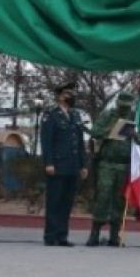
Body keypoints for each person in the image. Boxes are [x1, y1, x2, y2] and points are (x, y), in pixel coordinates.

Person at [39, 82, 88, 247]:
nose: (72, 96)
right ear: (60, 96)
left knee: (67, 202)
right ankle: (50, 235)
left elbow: (80, 143)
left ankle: (62, 235)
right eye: (68, 93)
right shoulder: (50, 115)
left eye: (72, 93)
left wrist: (83, 165)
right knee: (55, 201)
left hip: (73, 165)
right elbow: (46, 141)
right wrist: (49, 162)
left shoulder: (76, 115)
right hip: (57, 165)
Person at [86, 92, 135, 247]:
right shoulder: (108, 115)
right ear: (117, 103)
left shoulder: (134, 117)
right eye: (121, 106)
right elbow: (94, 131)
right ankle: (95, 233)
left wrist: (136, 135)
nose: (123, 109)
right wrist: (113, 129)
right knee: (103, 196)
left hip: (124, 164)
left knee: (119, 200)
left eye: (126, 107)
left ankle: (115, 235)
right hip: (107, 163)